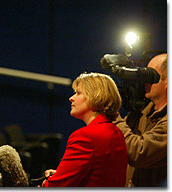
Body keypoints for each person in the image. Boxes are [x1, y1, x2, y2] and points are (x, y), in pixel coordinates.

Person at [41, 72, 128, 187]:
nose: (71, 98)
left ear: (95, 96)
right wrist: (61, 174)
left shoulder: (85, 136)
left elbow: (56, 187)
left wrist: (46, 183)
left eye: (78, 93)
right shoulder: (116, 132)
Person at [114, 53, 167, 187]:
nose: (145, 81)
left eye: (151, 75)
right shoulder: (142, 114)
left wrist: (112, 114)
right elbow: (113, 143)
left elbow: (138, 153)